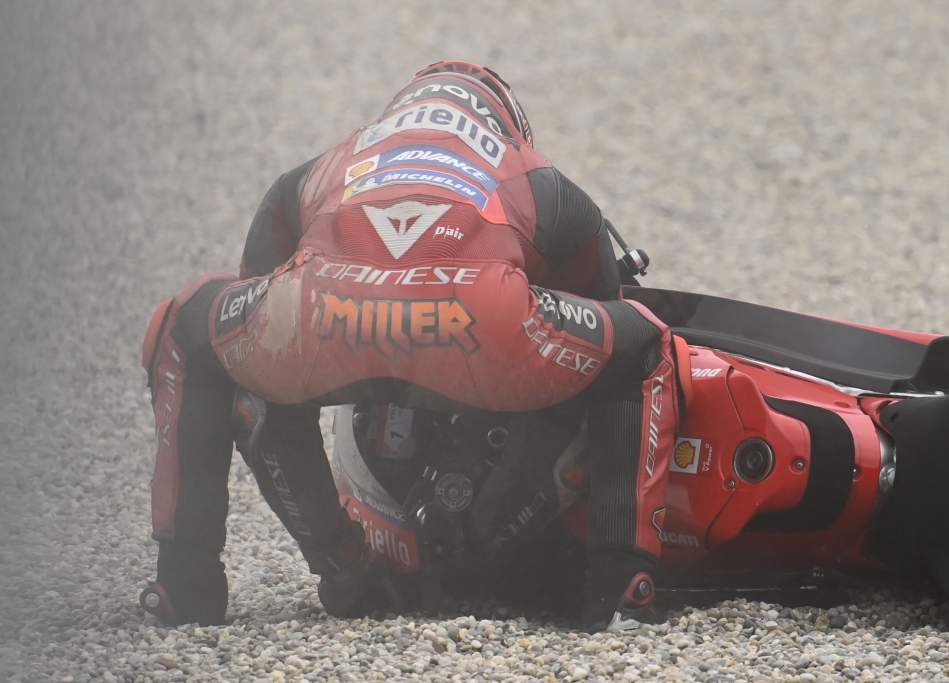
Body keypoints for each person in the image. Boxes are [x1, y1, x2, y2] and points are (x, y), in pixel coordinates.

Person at [139, 60, 682, 630]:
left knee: (191, 329)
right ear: (507, 121)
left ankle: (202, 579)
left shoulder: (328, 163)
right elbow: (603, 299)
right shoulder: (529, 169)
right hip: (478, 321)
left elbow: (256, 297)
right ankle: (624, 588)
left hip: (318, 313)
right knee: (640, 344)